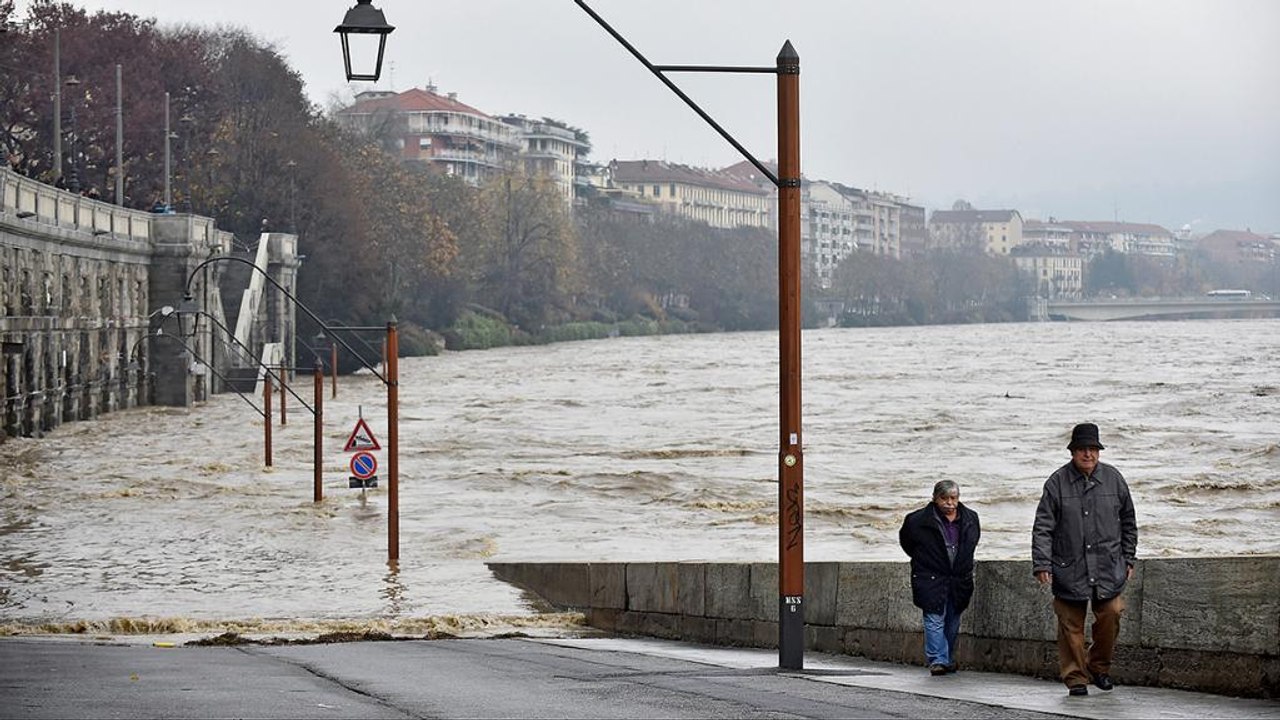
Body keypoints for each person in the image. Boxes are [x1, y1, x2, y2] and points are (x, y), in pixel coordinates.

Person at [1032, 422, 1138, 697]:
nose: (1088, 455)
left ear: (1099, 452)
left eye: (1092, 449)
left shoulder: (1114, 479)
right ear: (1072, 452)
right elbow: (1043, 526)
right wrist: (1042, 563)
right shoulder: (1056, 482)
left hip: (1108, 566)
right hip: (1069, 567)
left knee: (1112, 613)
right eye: (1082, 450)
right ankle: (1076, 678)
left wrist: (1129, 557)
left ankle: (1099, 667)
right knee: (1070, 626)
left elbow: (1129, 521)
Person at [899, 480, 981, 675]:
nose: (949, 503)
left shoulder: (971, 518)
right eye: (944, 498)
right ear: (935, 498)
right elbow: (907, 543)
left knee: (953, 619)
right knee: (934, 617)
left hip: (959, 577)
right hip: (929, 575)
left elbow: (973, 542)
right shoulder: (916, 520)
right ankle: (938, 660)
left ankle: (947, 658)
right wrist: (926, 559)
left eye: (953, 498)